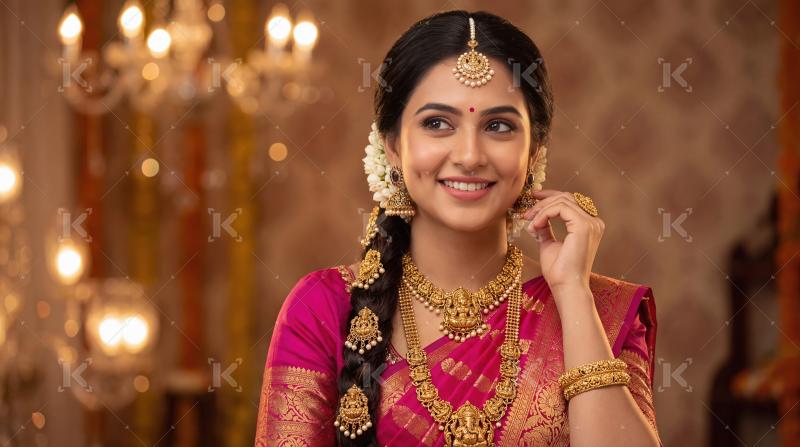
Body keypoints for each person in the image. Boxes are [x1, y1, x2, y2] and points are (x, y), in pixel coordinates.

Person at [255, 9, 661, 447]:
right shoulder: (322, 308)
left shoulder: (600, 310)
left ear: (535, 150)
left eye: (498, 126)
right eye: (437, 124)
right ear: (392, 147)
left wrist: (573, 295)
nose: (469, 155)